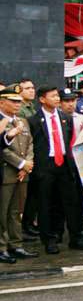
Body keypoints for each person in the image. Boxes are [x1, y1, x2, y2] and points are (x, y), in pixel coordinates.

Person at [29, 86, 83, 254]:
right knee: (46, 204)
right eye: (53, 96)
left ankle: (75, 237)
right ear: (42, 99)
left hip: (64, 164)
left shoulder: (65, 118)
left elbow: (68, 140)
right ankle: (50, 239)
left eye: (57, 96)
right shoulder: (34, 120)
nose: (57, 99)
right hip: (45, 166)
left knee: (71, 202)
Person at [0, 86, 36, 263]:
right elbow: (3, 149)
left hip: (22, 173)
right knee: (2, 212)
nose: (17, 104)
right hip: (6, 172)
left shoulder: (22, 120)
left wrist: (27, 165)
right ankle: (2, 247)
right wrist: (21, 163)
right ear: (1, 102)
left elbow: (29, 144)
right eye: (13, 101)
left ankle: (16, 244)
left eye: (18, 101)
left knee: (16, 211)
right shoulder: (1, 122)